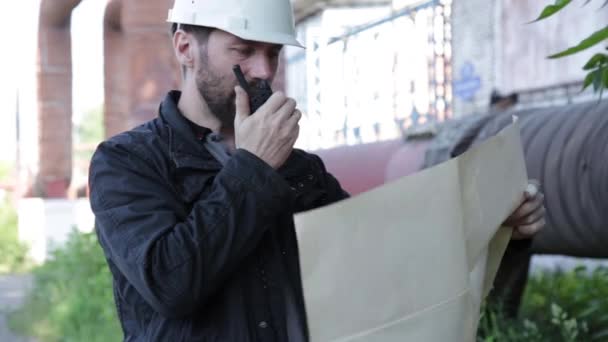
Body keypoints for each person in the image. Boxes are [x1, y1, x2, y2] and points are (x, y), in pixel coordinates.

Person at [88, 0, 546, 340]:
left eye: (274, 53)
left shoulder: (300, 169)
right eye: (244, 50)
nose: (263, 71)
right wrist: (253, 167)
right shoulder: (126, 162)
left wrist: (499, 230)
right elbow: (171, 283)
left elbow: (383, 269)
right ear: (186, 47)